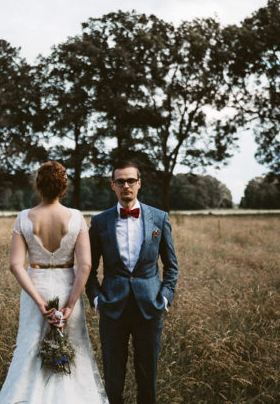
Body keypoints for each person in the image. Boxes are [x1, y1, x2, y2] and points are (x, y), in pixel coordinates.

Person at [0, 161, 108, 403]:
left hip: (35, 286)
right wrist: (70, 304)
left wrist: (39, 302)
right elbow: (86, 266)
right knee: (72, 347)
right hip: (68, 285)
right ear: (63, 187)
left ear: (38, 186)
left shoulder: (23, 218)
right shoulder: (77, 218)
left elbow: (15, 265)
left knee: (30, 347)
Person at [85, 161, 178, 404]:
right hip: (112, 307)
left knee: (147, 377)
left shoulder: (159, 218)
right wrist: (96, 300)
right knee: (113, 378)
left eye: (130, 181)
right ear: (112, 185)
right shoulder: (100, 222)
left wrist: (165, 297)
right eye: (120, 181)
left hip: (150, 307)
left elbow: (171, 265)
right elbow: (89, 268)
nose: (126, 185)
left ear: (139, 183)